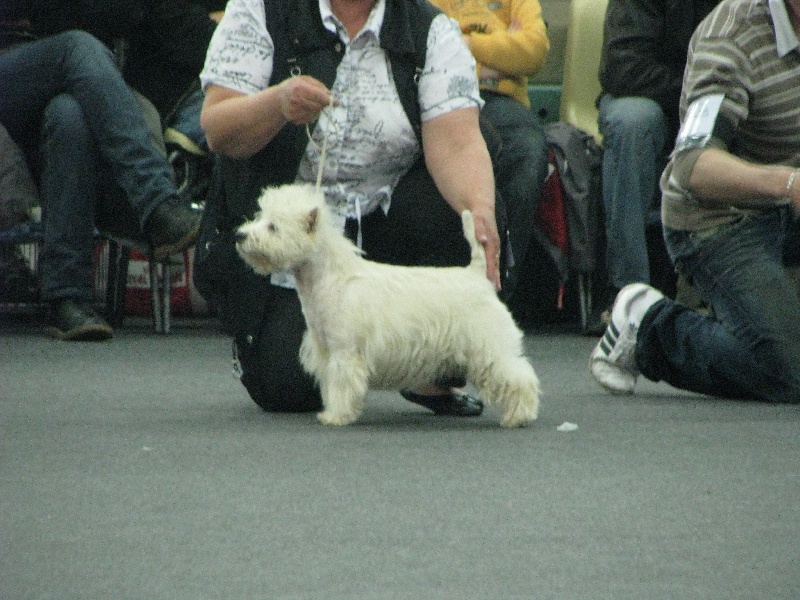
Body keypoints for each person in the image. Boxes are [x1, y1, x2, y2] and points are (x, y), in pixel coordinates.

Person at [197, 0, 508, 415]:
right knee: (287, 387)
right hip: (294, 231)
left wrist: (481, 212)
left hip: (388, 214)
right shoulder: (260, 11)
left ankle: (425, 370)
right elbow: (218, 130)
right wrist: (276, 103)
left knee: (471, 206)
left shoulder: (429, 29)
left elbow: (458, 143)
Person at [589, 0, 800, 403]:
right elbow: (693, 166)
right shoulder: (733, 34)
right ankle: (649, 324)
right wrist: (788, 184)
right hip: (721, 218)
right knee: (790, 371)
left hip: (789, 210)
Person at [0, 19, 202, 340]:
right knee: (77, 47)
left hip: (64, 63)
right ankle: (156, 204)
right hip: (20, 55)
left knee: (69, 115)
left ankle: (67, 295)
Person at [593, 0, 720, 330]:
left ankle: (722, 292)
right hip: (655, 99)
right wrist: (693, 95)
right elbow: (621, 67)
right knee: (631, 122)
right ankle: (629, 294)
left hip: (719, 100)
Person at [429, 0, 550, 323]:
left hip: (501, 104)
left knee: (527, 148)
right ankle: (452, 296)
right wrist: (498, 57)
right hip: (442, 96)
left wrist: (466, 44)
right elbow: (432, 51)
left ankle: (498, 297)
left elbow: (534, 51)